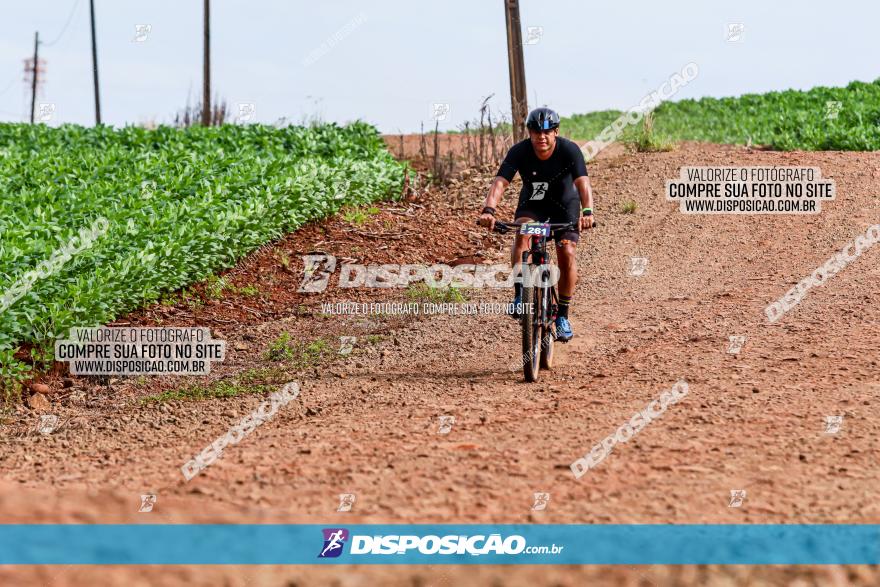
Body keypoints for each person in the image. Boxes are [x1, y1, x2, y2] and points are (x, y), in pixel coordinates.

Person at [478, 107, 595, 342]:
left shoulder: (569, 150)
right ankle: (521, 294)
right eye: (536, 132)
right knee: (522, 234)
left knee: (566, 249)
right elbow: (500, 182)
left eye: (547, 132)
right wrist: (489, 210)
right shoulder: (519, 151)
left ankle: (562, 315)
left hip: (565, 207)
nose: (541, 137)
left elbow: (583, 183)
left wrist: (588, 211)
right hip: (533, 205)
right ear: (529, 133)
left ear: (555, 132)